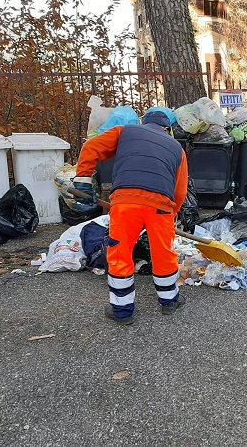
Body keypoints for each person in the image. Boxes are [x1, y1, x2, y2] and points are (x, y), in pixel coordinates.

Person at [73, 110, 189, 325]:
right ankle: (169, 301)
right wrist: (169, 215)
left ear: (143, 123)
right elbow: (180, 190)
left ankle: (122, 311)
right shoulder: (177, 148)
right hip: (161, 205)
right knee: (163, 252)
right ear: (167, 128)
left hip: (126, 202)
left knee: (120, 251)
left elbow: (92, 147)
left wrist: (83, 179)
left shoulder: (125, 131)